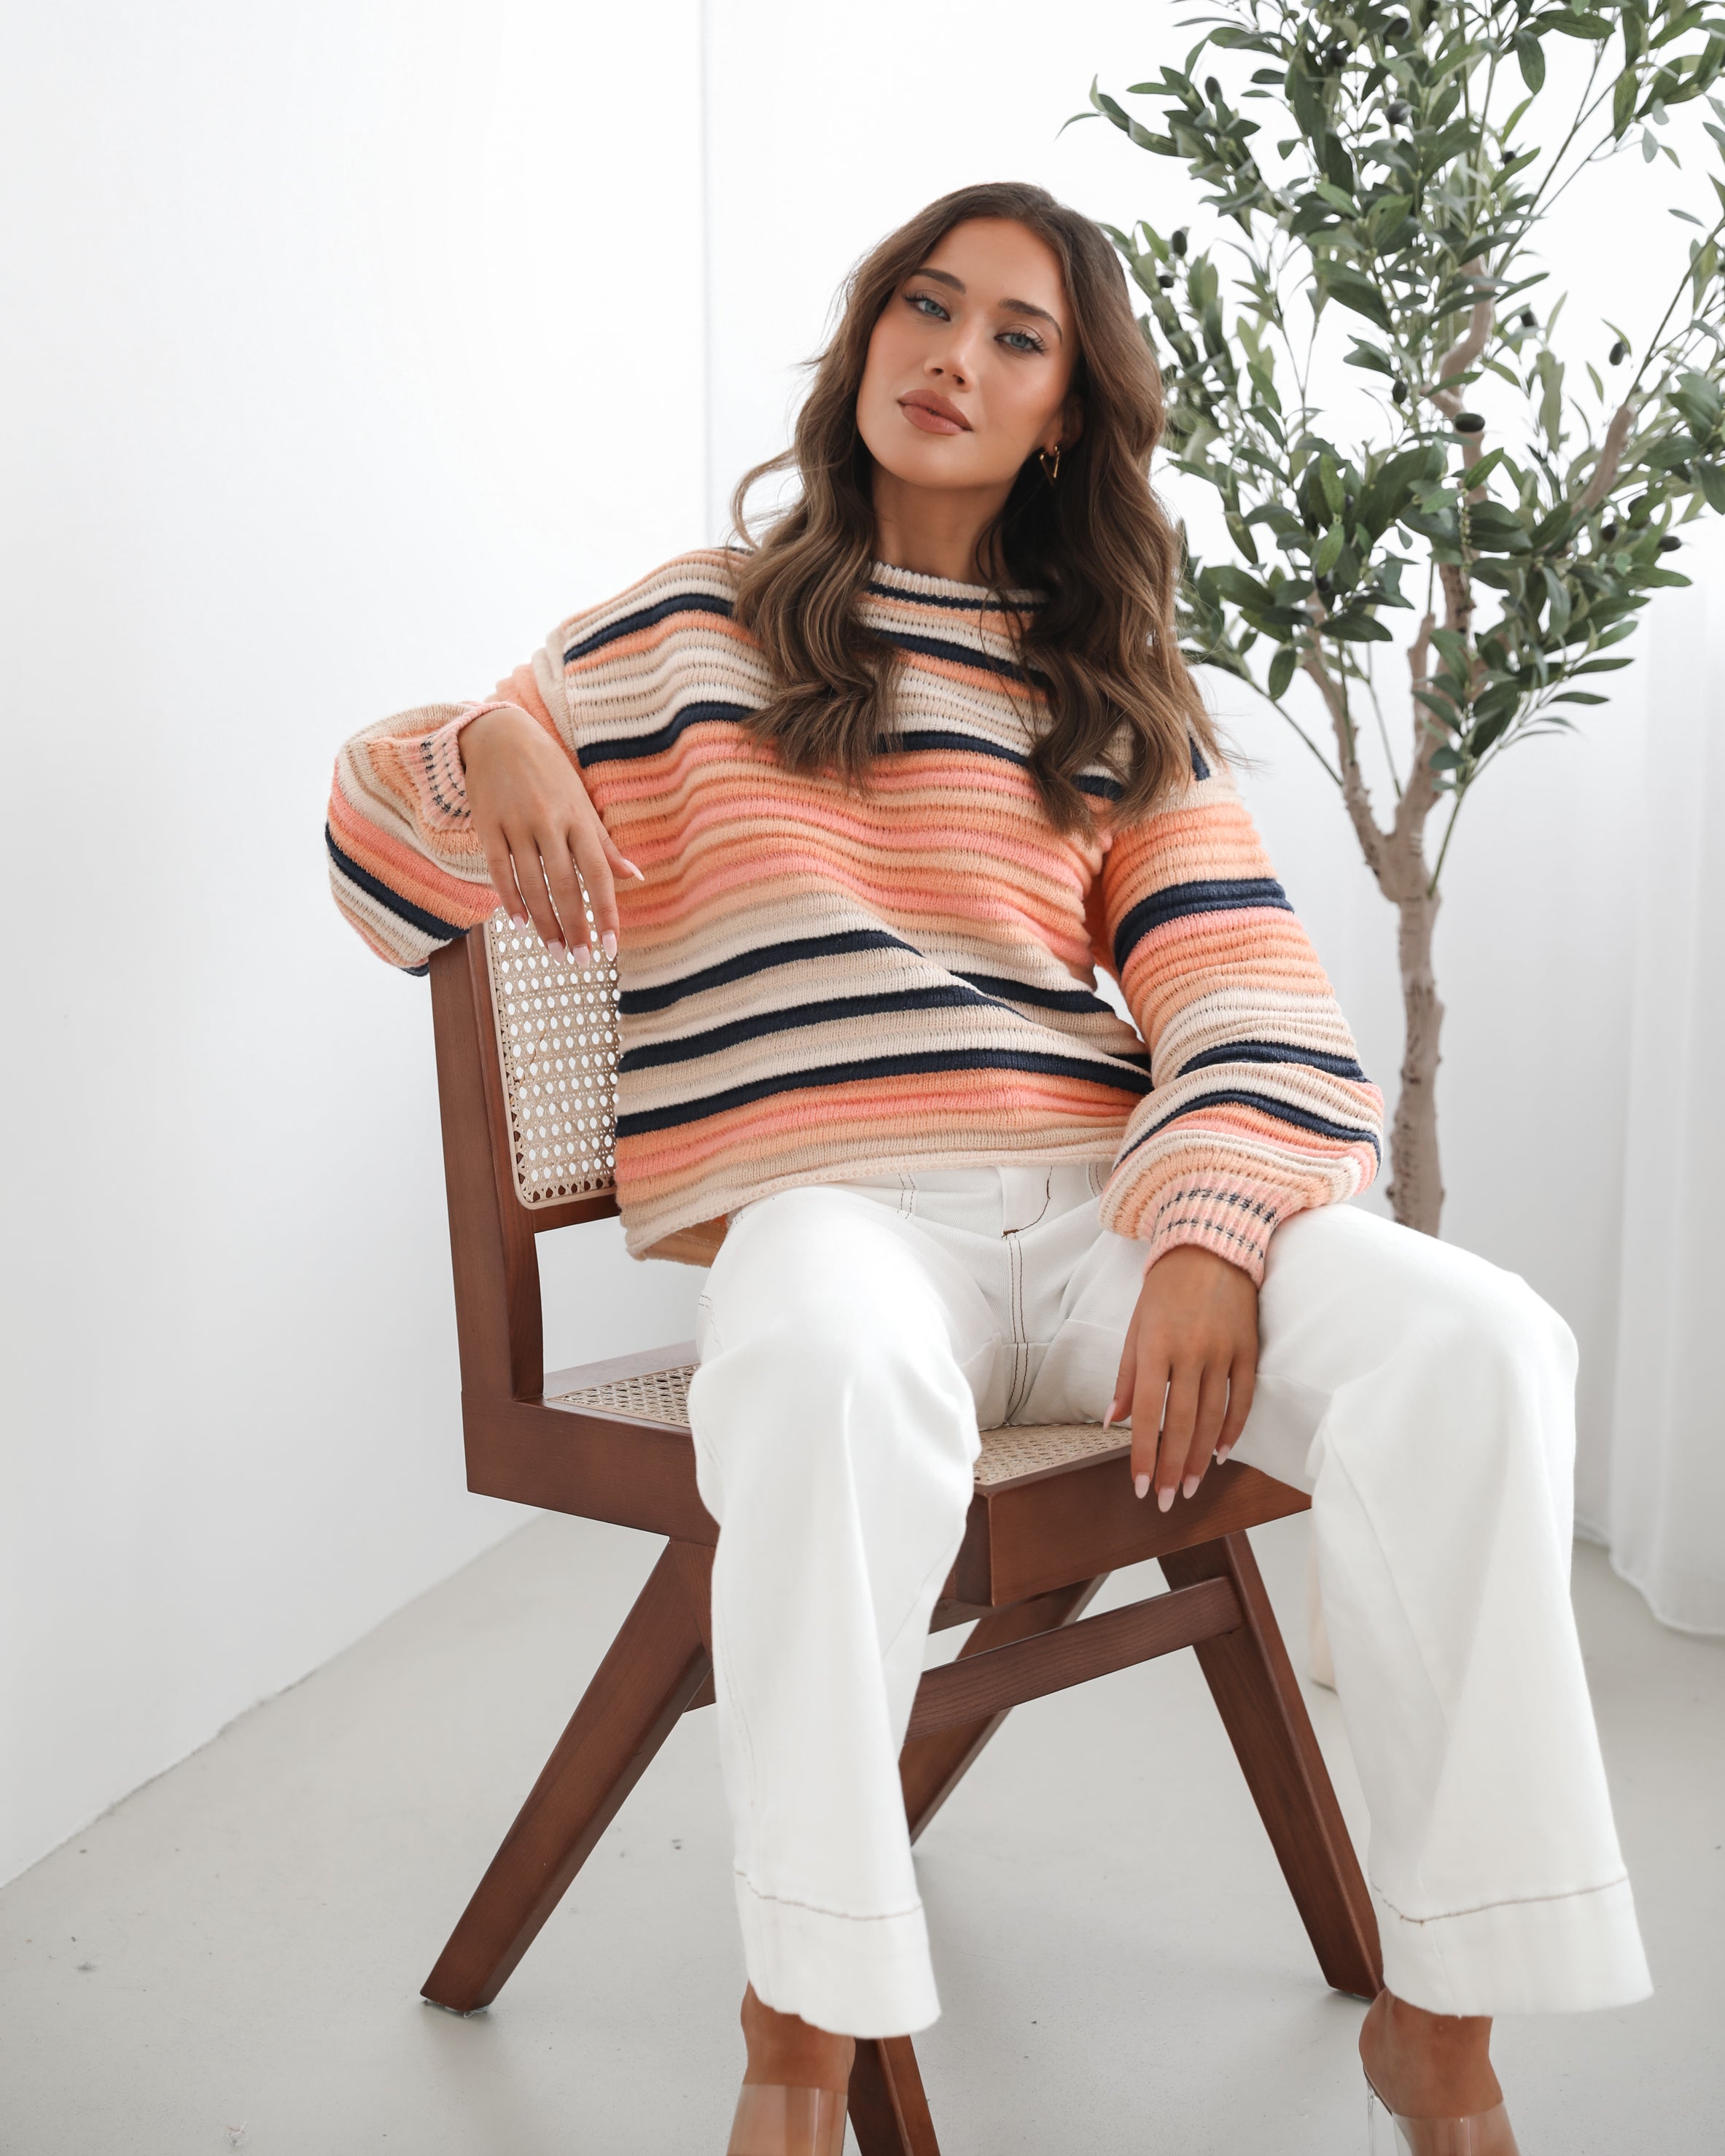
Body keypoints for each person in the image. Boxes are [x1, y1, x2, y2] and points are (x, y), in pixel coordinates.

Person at [327, 182, 1649, 2156]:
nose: (956, 355)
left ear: (1065, 417)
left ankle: (1445, 2028)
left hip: (1114, 1220)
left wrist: (1209, 1231)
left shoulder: (1105, 680)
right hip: (846, 1218)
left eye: (1017, 336)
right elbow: (382, 878)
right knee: (817, 1375)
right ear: (867, 344)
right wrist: (472, 740)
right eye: (927, 309)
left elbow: (1236, 977)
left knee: (1482, 1347)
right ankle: (799, 2034)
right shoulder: (681, 627)